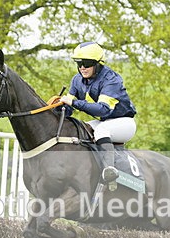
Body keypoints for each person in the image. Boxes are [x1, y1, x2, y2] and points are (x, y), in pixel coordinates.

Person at [57, 41, 137, 183]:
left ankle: (109, 170)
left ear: (98, 63)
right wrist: (58, 107)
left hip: (124, 123)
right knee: (80, 128)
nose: (82, 67)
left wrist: (74, 103)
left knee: (101, 131)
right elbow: (68, 109)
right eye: (79, 63)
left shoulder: (111, 79)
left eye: (86, 63)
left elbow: (103, 110)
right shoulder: (77, 80)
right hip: (103, 122)